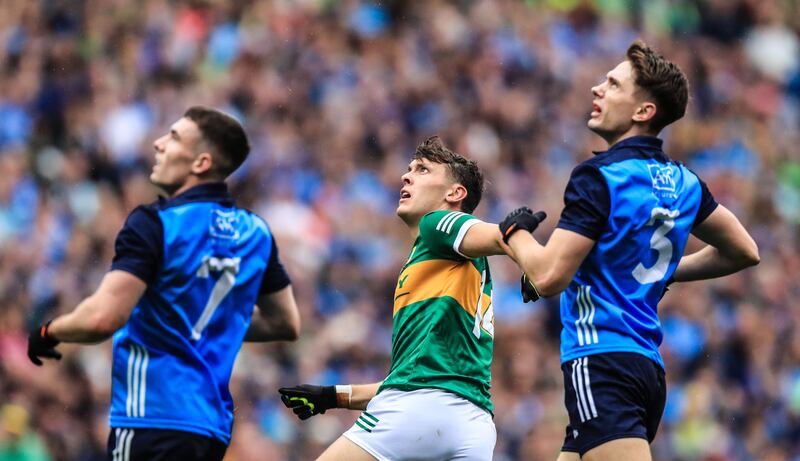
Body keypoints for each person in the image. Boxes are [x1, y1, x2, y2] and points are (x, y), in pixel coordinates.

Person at [499, 40, 760, 461]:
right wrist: (664, 271)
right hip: (645, 369)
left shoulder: (600, 177)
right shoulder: (685, 182)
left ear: (643, 111)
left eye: (614, 84)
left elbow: (547, 276)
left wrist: (513, 235)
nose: (597, 88)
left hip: (602, 362)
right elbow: (744, 250)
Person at [26, 106, 301, 461]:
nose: (158, 144)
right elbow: (285, 323)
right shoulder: (256, 233)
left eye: (173, 138)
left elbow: (102, 318)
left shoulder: (156, 223)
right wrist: (202, 321)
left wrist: (49, 331)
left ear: (201, 162)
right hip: (210, 431)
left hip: (151, 420)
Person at [278, 136, 541, 461]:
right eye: (410, 168)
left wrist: (527, 254)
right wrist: (333, 396)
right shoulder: (452, 267)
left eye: (422, 170)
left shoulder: (436, 224)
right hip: (474, 424)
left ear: (454, 194)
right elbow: (424, 377)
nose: (406, 176)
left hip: (419, 410)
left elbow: (499, 234)